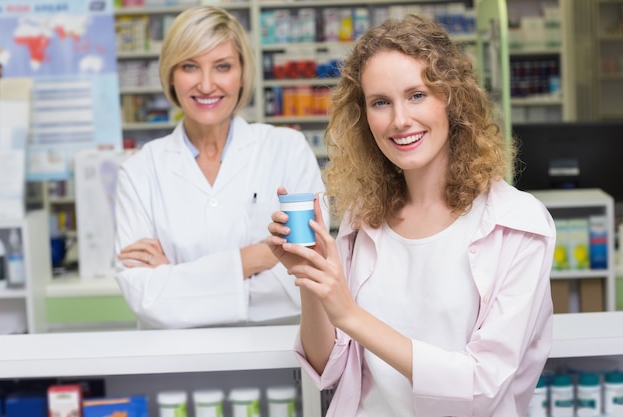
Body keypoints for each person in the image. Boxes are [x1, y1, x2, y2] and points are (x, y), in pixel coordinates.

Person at [267, 14, 555, 417]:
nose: (400, 120)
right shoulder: (364, 218)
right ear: (364, 117)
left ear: (451, 99)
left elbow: (481, 388)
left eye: (417, 95)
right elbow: (328, 368)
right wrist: (313, 281)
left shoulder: (517, 223)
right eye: (381, 102)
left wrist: (348, 312)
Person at [114, 5, 326, 329]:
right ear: (171, 74)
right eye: (190, 66)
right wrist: (254, 257)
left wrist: (175, 281)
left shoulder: (287, 150)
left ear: (242, 72)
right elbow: (146, 298)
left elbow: (303, 280)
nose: (207, 84)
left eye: (223, 66)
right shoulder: (140, 171)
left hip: (275, 355)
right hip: (171, 364)